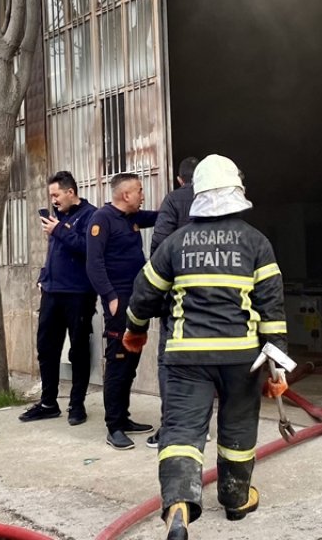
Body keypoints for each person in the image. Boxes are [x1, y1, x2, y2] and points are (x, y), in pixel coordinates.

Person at [124, 155, 290, 539]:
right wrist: (276, 369)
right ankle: (235, 499)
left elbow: (144, 293)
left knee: (181, 430)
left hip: (186, 357)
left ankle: (179, 506)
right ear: (237, 191)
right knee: (237, 425)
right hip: (242, 357)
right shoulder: (256, 242)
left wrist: (135, 330)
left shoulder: (176, 243)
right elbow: (272, 310)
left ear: (196, 194)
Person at [86, 173, 158, 450]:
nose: (142, 195)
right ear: (125, 195)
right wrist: (110, 297)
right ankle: (113, 426)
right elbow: (94, 264)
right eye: (139, 191)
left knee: (132, 359)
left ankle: (124, 417)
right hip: (119, 301)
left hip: (137, 299)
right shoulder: (102, 219)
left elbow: (162, 216)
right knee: (118, 360)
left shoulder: (132, 218)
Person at [20, 171, 98, 426]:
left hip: (78, 294)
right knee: (46, 348)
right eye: (51, 195)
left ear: (70, 192)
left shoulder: (91, 215)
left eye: (56, 194)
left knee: (78, 350)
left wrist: (60, 230)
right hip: (51, 292)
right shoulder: (59, 217)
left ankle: (77, 405)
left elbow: (89, 249)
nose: (53, 199)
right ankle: (48, 402)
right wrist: (44, 276)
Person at [146, 156, 198, 450]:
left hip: (177, 296)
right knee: (203, 362)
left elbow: (159, 246)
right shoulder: (217, 201)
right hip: (213, 298)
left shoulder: (175, 199)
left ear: (180, 179)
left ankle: (171, 427)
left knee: (169, 361)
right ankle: (199, 426)